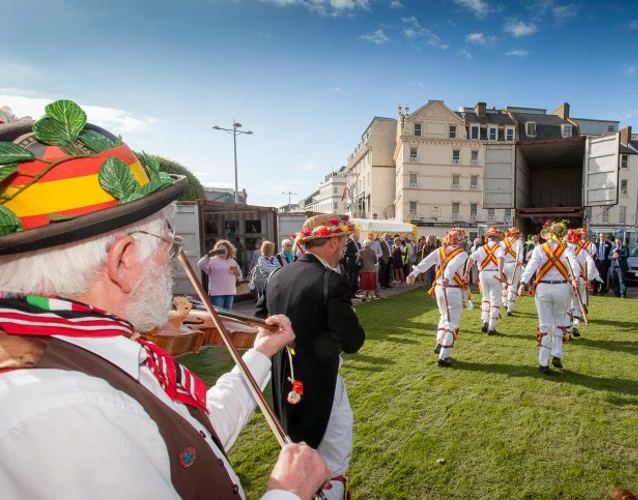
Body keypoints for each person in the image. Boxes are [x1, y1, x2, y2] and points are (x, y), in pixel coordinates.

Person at [0, 104, 328, 499]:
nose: (171, 261)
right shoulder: (67, 409)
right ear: (123, 260)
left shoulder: (87, 349)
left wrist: (260, 353)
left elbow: (191, 435)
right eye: (167, 245)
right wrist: (287, 493)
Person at [257, 214, 366, 499]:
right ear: (332, 242)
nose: (343, 249)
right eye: (343, 243)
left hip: (285, 380)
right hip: (321, 382)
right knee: (333, 458)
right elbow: (352, 341)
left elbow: (261, 319)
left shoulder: (277, 275)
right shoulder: (332, 280)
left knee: (297, 449)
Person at [517, 221, 580, 374]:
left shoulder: (539, 249)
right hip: (562, 288)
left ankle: (543, 363)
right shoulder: (567, 249)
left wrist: (523, 282)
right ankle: (557, 354)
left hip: (543, 288)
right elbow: (575, 265)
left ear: (548, 234)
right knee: (559, 322)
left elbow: (531, 266)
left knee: (544, 325)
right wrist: (575, 278)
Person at [406, 228, 470, 367]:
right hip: (451, 288)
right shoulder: (462, 253)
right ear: (460, 240)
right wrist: (447, 278)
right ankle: (443, 357)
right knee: (452, 322)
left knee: (443, 316)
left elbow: (425, 262)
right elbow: (451, 267)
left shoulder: (439, 250)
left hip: (439, 288)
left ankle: (440, 342)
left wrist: (413, 274)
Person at [465, 227, 506, 335]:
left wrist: (466, 272)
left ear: (488, 239)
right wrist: (501, 273)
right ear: (497, 239)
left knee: (485, 298)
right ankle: (492, 327)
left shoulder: (481, 249)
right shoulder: (500, 248)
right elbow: (500, 259)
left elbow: (470, 259)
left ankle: (485, 321)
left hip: (483, 273)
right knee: (495, 300)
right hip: (495, 273)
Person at [199, 239, 243, 310]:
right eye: (219, 250)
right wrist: (209, 255)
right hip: (216, 293)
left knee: (228, 315)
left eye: (223, 249)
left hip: (230, 292)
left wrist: (237, 273)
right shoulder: (212, 260)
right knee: (219, 314)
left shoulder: (232, 261)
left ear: (228, 250)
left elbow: (239, 276)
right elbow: (201, 264)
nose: (221, 251)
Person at [569, 227, 598, 337]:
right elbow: (591, 264)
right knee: (578, 303)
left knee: (567, 304)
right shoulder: (587, 249)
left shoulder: (564, 250)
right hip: (581, 279)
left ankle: (567, 327)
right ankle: (575, 325)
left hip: (567, 280)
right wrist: (588, 279)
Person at [501, 227, 525, 316]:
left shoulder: (503, 241)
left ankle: (504, 303)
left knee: (504, 284)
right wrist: (519, 261)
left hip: (504, 264)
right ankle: (509, 309)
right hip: (514, 264)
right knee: (512, 286)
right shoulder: (518, 242)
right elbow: (520, 253)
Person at [343, 232, 361, 299]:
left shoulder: (359, 244)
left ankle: (354, 293)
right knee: (350, 279)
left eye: (358, 236)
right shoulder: (349, 244)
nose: (358, 237)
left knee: (355, 280)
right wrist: (354, 255)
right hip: (350, 264)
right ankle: (350, 294)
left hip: (357, 264)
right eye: (357, 236)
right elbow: (345, 254)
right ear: (353, 237)